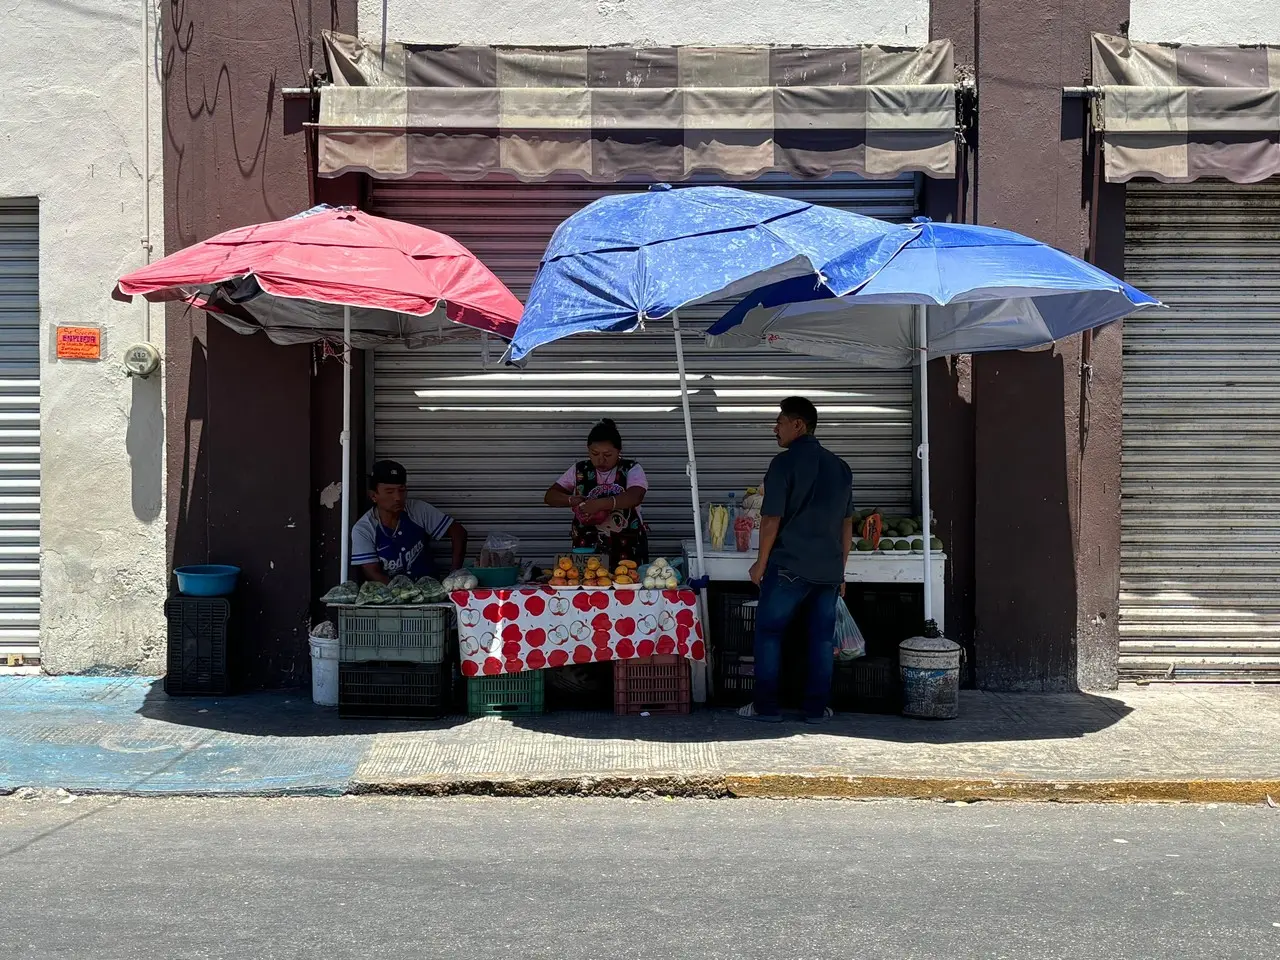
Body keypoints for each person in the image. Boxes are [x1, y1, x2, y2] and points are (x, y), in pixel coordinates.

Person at [741, 397, 854, 724]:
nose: (774, 428)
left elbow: (772, 518)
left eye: (780, 422)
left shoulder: (783, 463)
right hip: (828, 571)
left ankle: (767, 708)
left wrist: (760, 563)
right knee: (820, 639)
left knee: (770, 633)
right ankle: (816, 711)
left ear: (798, 425)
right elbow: (847, 523)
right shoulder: (840, 466)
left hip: (789, 566)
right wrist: (841, 571)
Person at [544, 418, 649, 567]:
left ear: (619, 451)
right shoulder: (580, 469)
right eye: (594, 454)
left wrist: (601, 504)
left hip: (627, 546)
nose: (600, 460)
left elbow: (635, 496)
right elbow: (550, 496)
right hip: (587, 546)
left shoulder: (631, 468)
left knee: (626, 584)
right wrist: (570, 500)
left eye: (607, 455)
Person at [351, 460, 467, 583]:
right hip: (391, 595)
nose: (398, 497)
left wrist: (455, 572)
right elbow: (372, 572)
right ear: (373, 495)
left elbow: (458, 532)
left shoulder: (418, 510)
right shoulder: (363, 528)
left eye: (402, 490)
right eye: (389, 492)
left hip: (429, 588)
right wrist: (403, 592)